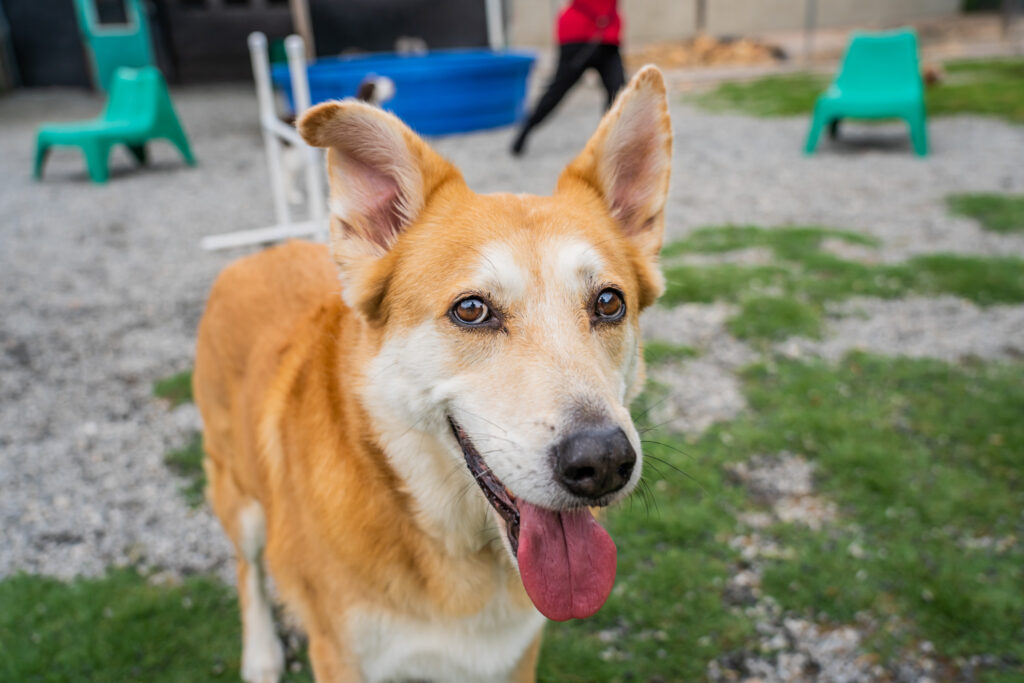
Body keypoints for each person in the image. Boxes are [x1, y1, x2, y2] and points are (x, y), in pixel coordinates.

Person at [511, 0, 625, 156]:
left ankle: (611, 143)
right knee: (558, 90)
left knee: (618, 92)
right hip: (577, 34)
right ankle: (527, 128)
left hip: (608, 35)